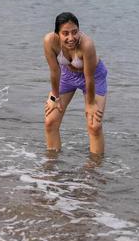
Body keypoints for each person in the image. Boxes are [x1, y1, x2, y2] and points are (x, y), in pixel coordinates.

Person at [42, 12, 107, 156]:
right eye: (65, 33)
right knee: (50, 121)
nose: (71, 38)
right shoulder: (49, 41)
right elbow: (54, 71)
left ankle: (94, 170)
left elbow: (89, 77)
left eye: (74, 32)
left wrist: (90, 104)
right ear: (57, 34)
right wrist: (55, 97)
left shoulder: (87, 44)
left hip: (93, 77)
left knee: (94, 125)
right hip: (67, 76)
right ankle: (52, 165)